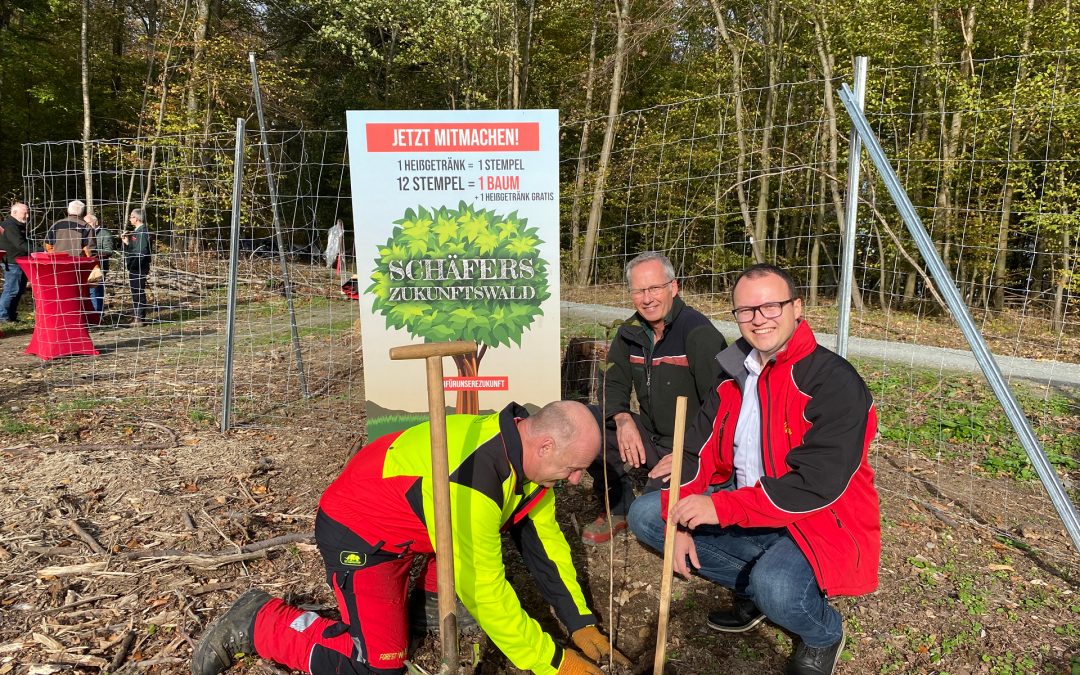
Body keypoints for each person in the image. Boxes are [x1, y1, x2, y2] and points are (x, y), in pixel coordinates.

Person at [192, 400, 630, 675]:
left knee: (471, 573)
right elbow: (485, 589)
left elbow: (545, 545)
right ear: (547, 444)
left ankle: (421, 603)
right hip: (362, 537)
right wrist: (553, 663)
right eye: (575, 468)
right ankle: (258, 622)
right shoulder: (473, 478)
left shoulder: (531, 461)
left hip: (417, 531)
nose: (576, 480)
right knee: (375, 666)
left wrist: (580, 622)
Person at [626, 263, 880, 675]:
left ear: (797, 308)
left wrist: (719, 510)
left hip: (814, 519)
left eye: (771, 306)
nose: (758, 319)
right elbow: (697, 451)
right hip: (748, 505)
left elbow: (817, 485)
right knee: (648, 515)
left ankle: (823, 632)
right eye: (746, 310)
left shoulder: (832, 382)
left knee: (777, 586)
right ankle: (754, 587)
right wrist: (683, 515)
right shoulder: (733, 374)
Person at [581, 251, 727, 545]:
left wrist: (688, 452)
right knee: (587, 424)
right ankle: (617, 506)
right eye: (638, 291)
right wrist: (622, 419)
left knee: (652, 514)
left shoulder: (698, 334)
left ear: (674, 287)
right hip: (651, 436)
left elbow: (722, 407)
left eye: (654, 288)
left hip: (692, 448)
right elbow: (614, 384)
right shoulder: (629, 332)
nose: (647, 299)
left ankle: (702, 501)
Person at [0, 202, 31, 322]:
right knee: (12, 289)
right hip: (12, 261)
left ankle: (11, 315)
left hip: (18, 261)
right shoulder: (10, 226)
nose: (27, 216)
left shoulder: (16, 225)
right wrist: (39, 250)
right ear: (14, 212)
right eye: (25, 213)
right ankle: (3, 316)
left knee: (18, 289)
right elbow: (20, 244)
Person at [121, 208, 152, 326]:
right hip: (135, 266)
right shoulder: (137, 232)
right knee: (135, 291)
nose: (130, 219)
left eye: (131, 217)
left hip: (138, 267)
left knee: (138, 291)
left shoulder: (142, 232)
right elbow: (134, 249)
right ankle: (137, 316)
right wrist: (127, 243)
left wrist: (134, 264)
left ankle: (139, 318)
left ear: (137, 218)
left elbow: (142, 251)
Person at [84, 213, 114, 320]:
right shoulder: (84, 233)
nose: (85, 225)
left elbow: (109, 251)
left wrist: (93, 253)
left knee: (96, 291)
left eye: (87, 223)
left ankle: (97, 316)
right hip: (86, 266)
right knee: (87, 291)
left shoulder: (105, 234)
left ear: (95, 222)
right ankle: (90, 315)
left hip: (100, 266)